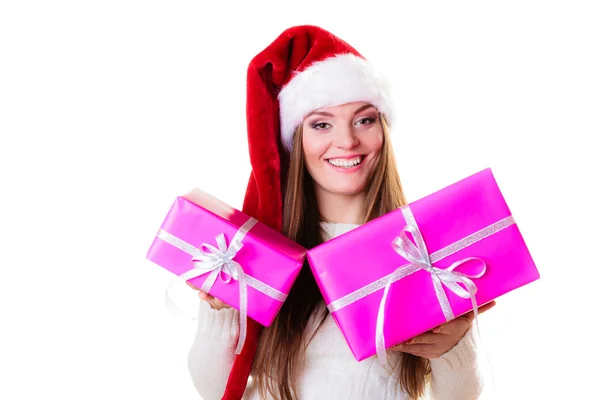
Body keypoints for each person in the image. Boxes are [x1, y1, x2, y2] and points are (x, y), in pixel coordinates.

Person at [187, 25, 495, 400]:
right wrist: (221, 311)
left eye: (364, 120)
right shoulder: (257, 256)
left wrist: (454, 347)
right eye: (321, 124)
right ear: (296, 140)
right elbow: (218, 390)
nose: (347, 141)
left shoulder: (421, 252)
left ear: (383, 130)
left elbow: (461, 397)